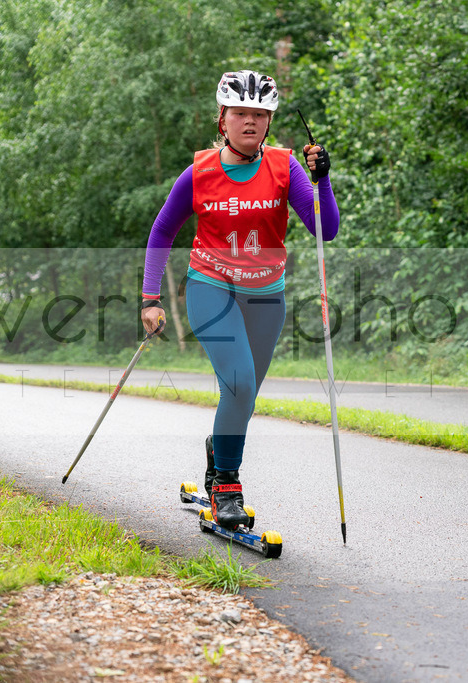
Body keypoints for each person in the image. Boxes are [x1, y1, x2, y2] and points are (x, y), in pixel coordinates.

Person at [140, 70, 340, 530]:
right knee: (240, 384)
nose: (250, 121)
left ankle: (218, 450)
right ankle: (226, 483)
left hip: (266, 295)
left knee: (244, 396)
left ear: (268, 121)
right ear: (222, 119)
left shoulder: (286, 167)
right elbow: (162, 231)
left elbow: (324, 230)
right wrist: (151, 297)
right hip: (212, 287)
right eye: (240, 113)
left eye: (259, 114)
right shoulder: (199, 173)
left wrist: (322, 180)